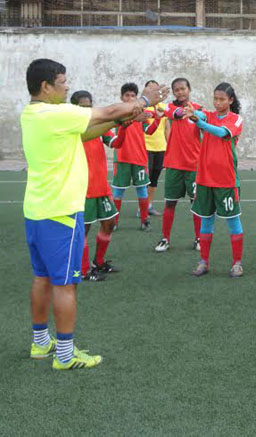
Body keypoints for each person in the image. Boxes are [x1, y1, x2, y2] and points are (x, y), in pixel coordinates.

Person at [21, 58, 168, 370]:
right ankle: (64, 354)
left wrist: (120, 123)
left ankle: (40, 342)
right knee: (65, 284)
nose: (67, 86)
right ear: (46, 87)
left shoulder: (35, 114)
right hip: (60, 213)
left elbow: (85, 133)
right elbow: (110, 110)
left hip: (37, 211)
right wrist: (144, 100)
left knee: (42, 277)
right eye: (62, 82)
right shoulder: (56, 112)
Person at [188, 83, 245, 278]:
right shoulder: (208, 115)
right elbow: (200, 115)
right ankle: (204, 261)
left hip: (226, 179)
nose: (218, 102)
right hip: (204, 178)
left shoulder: (236, 120)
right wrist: (195, 115)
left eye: (222, 99)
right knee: (206, 221)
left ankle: (237, 263)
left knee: (232, 221)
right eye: (215, 99)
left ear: (230, 100)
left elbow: (221, 133)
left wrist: (200, 123)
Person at [71, 90, 120, 282]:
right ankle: (83, 270)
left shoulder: (99, 125)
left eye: (89, 106)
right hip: (83, 188)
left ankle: (99, 263)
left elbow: (114, 142)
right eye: (82, 107)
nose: (86, 110)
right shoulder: (74, 128)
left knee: (109, 224)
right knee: (84, 229)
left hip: (101, 187)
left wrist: (127, 126)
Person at [155, 77, 204, 252]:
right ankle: (165, 239)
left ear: (189, 89)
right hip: (174, 164)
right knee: (170, 203)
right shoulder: (169, 108)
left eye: (183, 88)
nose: (180, 92)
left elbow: (206, 128)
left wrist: (198, 116)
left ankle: (199, 238)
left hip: (194, 164)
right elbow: (175, 113)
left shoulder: (199, 110)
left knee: (196, 203)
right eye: (177, 90)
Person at [111, 82, 164, 232]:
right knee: (118, 191)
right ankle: (114, 222)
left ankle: (144, 220)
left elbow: (150, 131)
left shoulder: (142, 115)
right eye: (127, 95)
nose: (129, 98)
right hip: (122, 158)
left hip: (140, 159)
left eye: (133, 95)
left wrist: (158, 119)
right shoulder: (117, 113)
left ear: (136, 98)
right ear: (121, 97)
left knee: (142, 190)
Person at [143, 79, 168, 217]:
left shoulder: (162, 107)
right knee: (145, 180)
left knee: (154, 179)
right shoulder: (142, 107)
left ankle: (149, 205)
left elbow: (166, 128)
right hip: (146, 147)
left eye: (156, 89)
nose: (153, 91)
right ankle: (142, 207)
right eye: (150, 88)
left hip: (160, 147)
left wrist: (169, 147)